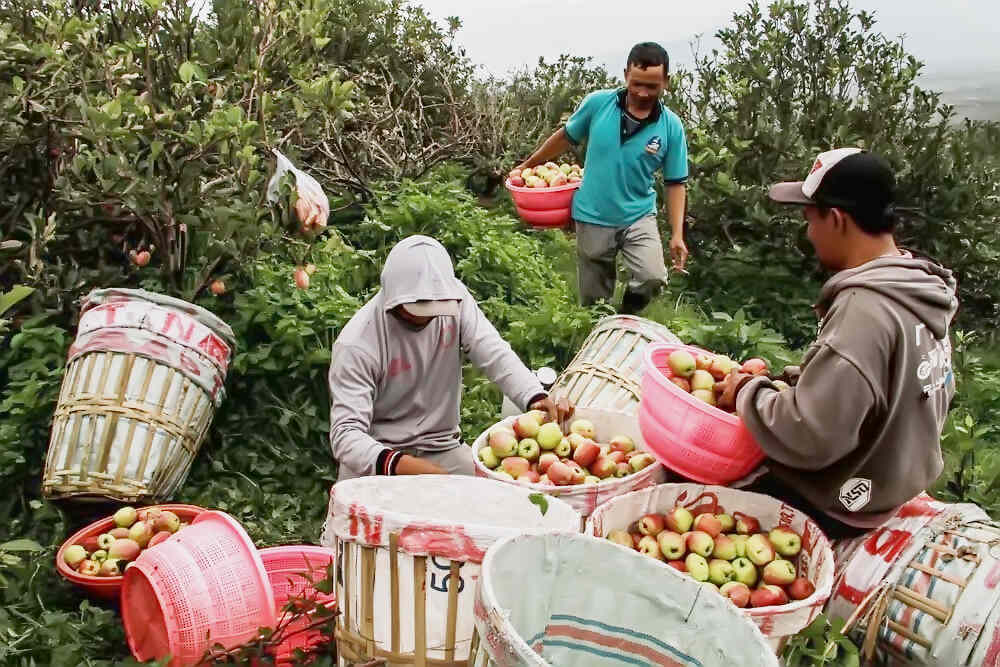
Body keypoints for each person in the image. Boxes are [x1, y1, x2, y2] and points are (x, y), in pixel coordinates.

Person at [716, 148, 958, 538]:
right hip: (892, 479)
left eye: (810, 219)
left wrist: (747, 391)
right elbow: (881, 382)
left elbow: (810, 436)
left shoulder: (864, 311)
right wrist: (797, 381)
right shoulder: (916, 287)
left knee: (694, 486)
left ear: (836, 219)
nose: (809, 233)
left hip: (841, 500)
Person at [328, 235, 573, 482]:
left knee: (499, 500)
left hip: (441, 448)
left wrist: (533, 396)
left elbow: (492, 349)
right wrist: (402, 465)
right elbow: (346, 435)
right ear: (393, 299)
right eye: (418, 310)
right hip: (379, 456)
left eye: (434, 310)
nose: (427, 317)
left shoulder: (453, 300)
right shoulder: (357, 345)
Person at [516, 42, 689, 314]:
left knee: (652, 276)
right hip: (592, 215)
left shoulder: (671, 127)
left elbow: (676, 183)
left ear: (666, 82)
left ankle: (627, 317)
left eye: (652, 87)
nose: (643, 93)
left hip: (638, 215)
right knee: (594, 305)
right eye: (637, 84)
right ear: (625, 75)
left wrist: (677, 234)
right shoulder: (599, 104)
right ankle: (596, 339)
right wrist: (528, 165)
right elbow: (565, 138)